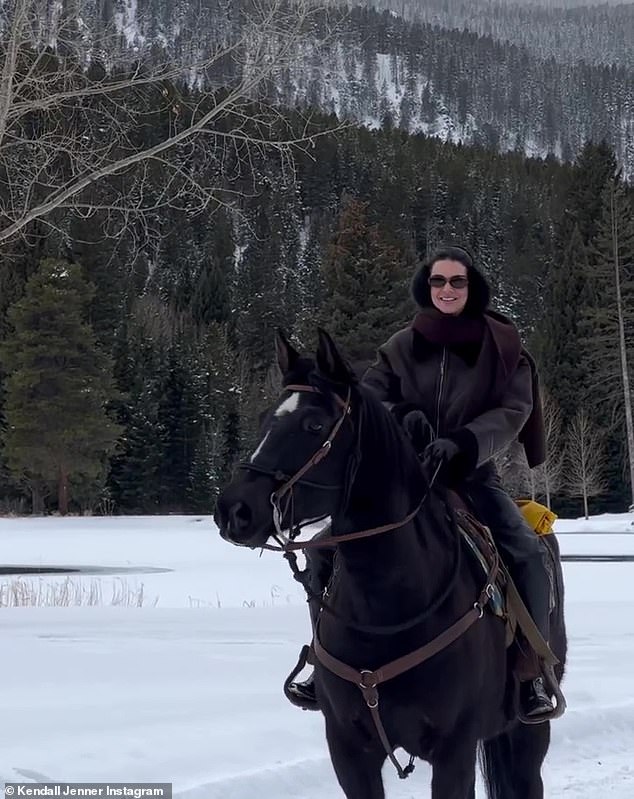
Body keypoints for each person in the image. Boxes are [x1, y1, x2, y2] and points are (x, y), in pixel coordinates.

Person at [288, 244, 554, 719]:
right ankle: (323, 663)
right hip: (404, 480)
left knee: (525, 548)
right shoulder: (400, 346)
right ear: (425, 287)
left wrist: (465, 442)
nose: (447, 290)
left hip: (469, 475)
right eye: (438, 281)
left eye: (456, 281)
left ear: (472, 288)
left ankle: (532, 670)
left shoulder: (505, 348)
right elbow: (370, 396)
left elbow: (514, 412)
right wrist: (402, 416)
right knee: (321, 549)